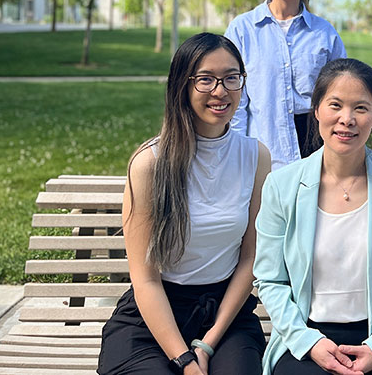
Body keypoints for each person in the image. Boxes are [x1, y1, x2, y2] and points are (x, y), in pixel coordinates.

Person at [97, 33, 271, 375]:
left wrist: (208, 342)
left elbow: (250, 259)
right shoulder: (149, 163)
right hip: (153, 317)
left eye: (231, 77)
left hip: (223, 316)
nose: (220, 91)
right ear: (182, 85)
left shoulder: (255, 157)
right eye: (205, 79)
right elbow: (145, 279)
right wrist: (184, 360)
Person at [253, 58, 372, 375]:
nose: (346, 119)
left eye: (361, 108)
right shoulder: (282, 185)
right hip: (306, 340)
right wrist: (308, 341)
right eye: (335, 105)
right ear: (317, 109)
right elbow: (271, 280)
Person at [225, 0, 346, 170]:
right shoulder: (242, 29)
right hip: (263, 149)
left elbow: (340, 92)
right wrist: (234, 148)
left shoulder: (324, 33)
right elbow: (235, 97)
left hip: (315, 148)